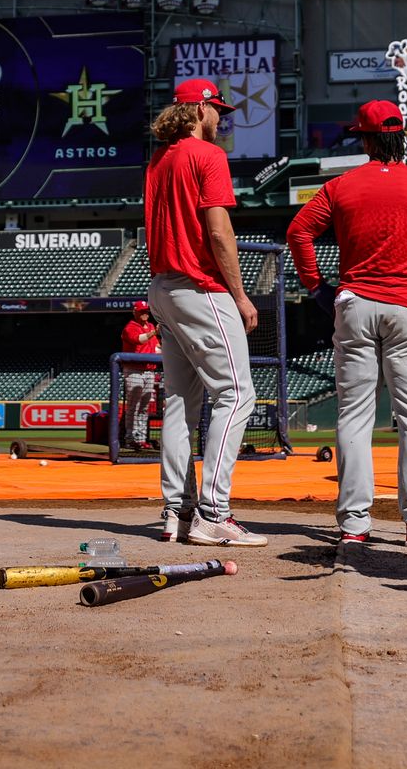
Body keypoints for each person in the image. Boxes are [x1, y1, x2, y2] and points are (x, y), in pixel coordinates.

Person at [286, 100, 407, 546]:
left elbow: (298, 232)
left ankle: (354, 525)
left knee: (355, 417)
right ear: (401, 138)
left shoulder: (341, 186)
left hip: (356, 305)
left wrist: (315, 287)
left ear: (364, 140)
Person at [145, 77, 265, 547]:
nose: (222, 117)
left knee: (179, 402)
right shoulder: (207, 156)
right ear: (199, 110)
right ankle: (214, 513)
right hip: (200, 287)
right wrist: (239, 295)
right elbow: (219, 234)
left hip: (163, 288)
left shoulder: (158, 159)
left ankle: (176, 510)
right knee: (236, 395)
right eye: (218, 110)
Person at [119, 301, 163, 449]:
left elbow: (156, 348)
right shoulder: (130, 327)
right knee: (133, 406)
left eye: (147, 311)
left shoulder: (150, 326)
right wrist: (154, 333)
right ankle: (130, 438)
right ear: (135, 312)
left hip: (149, 370)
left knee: (144, 407)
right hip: (134, 370)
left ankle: (141, 438)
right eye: (142, 311)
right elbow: (138, 340)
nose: (145, 313)